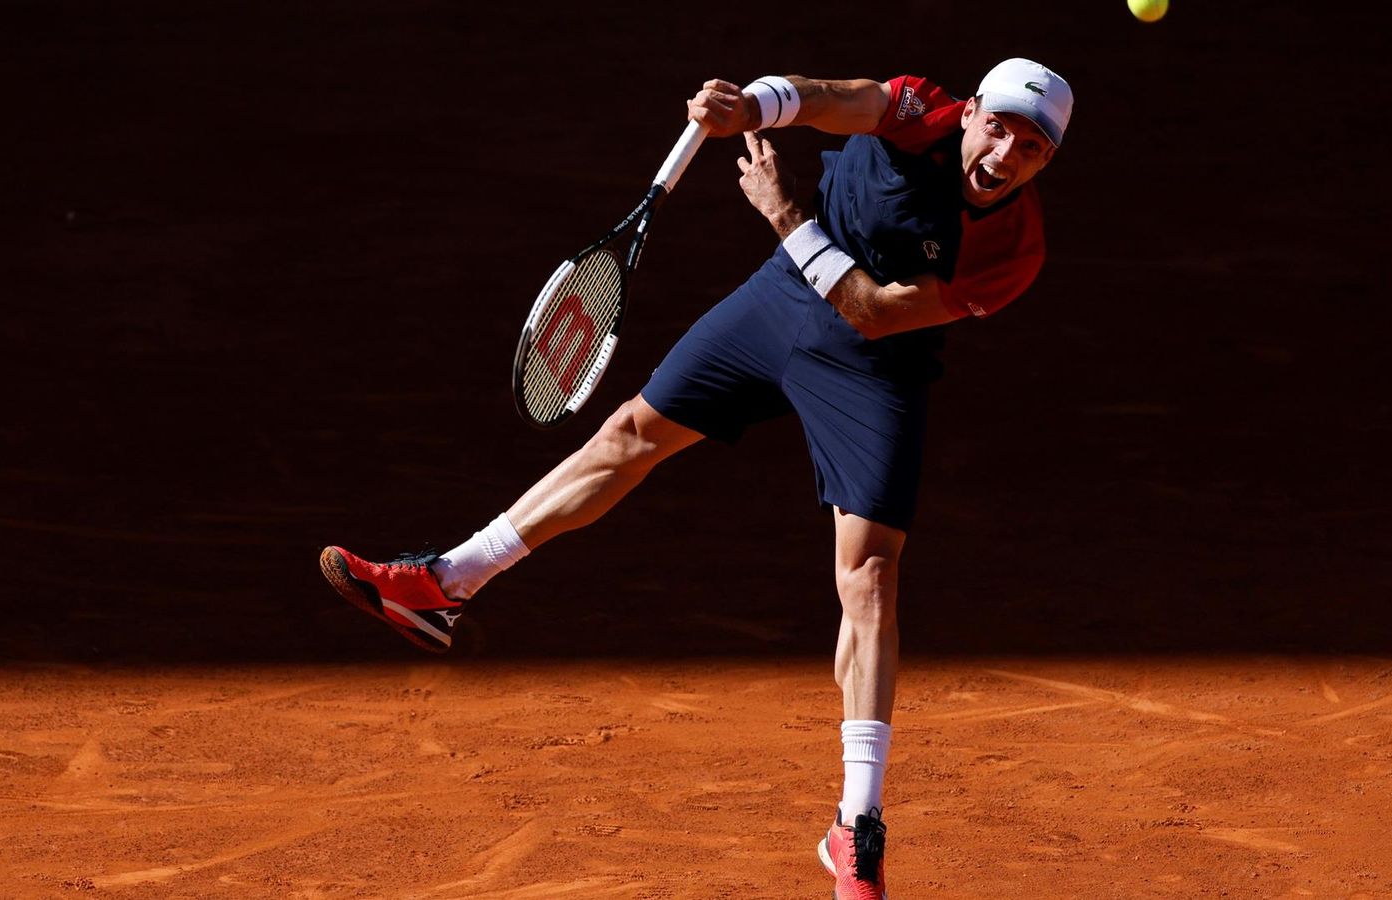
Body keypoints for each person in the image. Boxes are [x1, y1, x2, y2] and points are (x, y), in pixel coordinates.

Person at [320, 58, 1072, 900]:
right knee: (631, 433)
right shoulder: (917, 108)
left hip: (873, 363)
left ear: (1045, 161)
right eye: (999, 129)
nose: (1005, 155)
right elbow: (832, 100)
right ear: (969, 113)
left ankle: (856, 828)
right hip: (782, 300)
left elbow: (872, 311)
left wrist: (784, 215)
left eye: (1031, 148)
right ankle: (444, 585)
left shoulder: (1014, 248)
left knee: (869, 576)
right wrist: (753, 106)